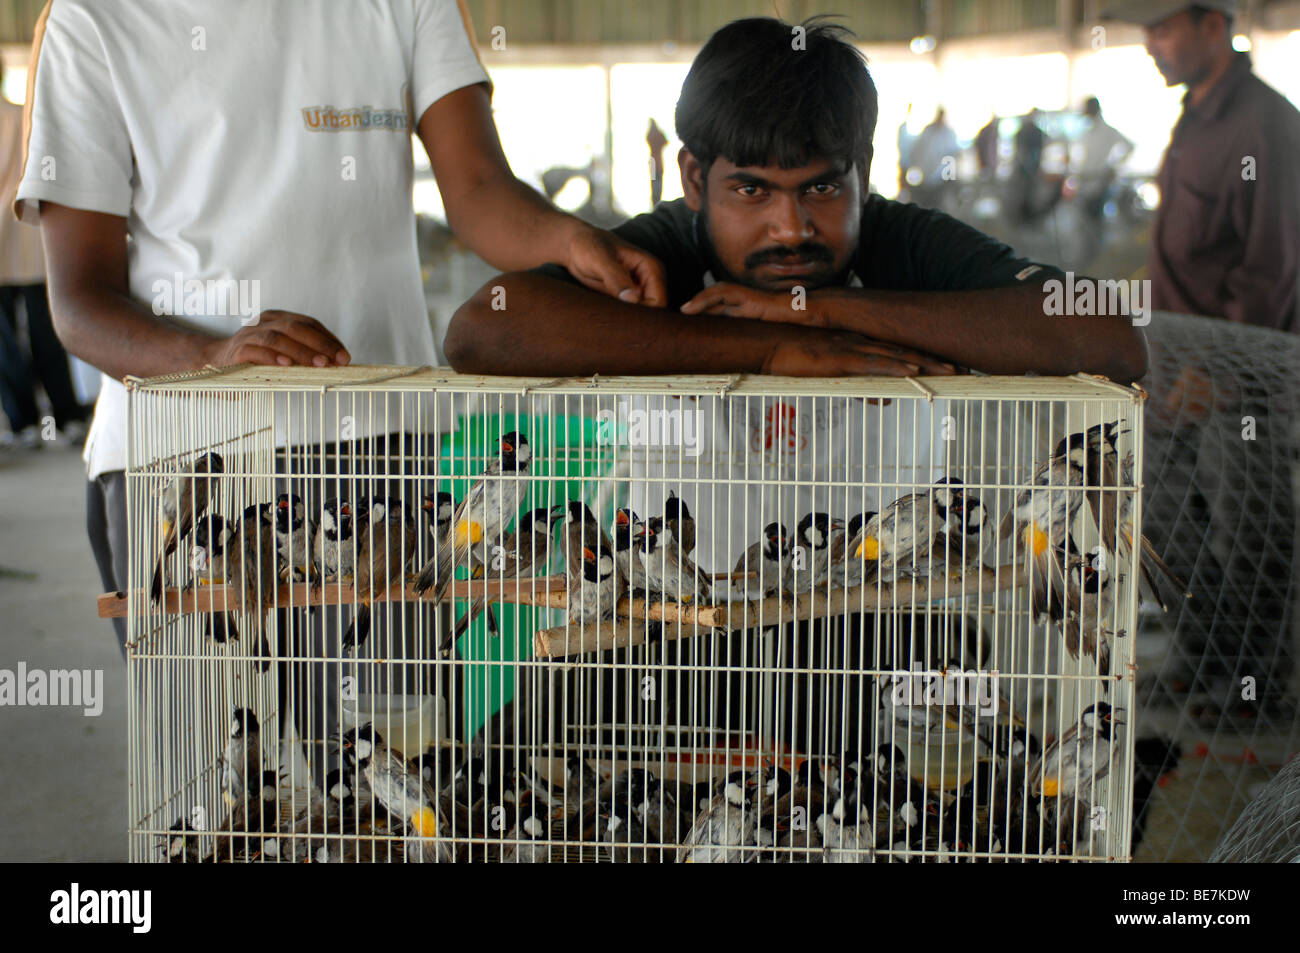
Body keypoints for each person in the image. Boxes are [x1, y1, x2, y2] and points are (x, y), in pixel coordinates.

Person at [16, 0, 665, 663]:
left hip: (375, 442)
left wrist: (576, 242)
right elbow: (80, 300)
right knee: (208, 752)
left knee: (379, 751)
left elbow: (477, 188)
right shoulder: (91, 18)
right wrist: (213, 354)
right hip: (183, 457)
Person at [1105, 0, 1299, 330]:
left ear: (1211, 27)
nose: (1150, 47)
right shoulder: (1195, 113)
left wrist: (1217, 375)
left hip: (1222, 367)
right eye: (1147, 32)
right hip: (1176, 346)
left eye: (1161, 31)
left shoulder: (1266, 127)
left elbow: (1271, 274)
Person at [0, 53, 85, 449]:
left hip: (11, 244)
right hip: (32, 242)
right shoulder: (23, 116)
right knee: (47, 330)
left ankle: (23, 422)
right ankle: (66, 416)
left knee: (5, 341)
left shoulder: (16, 117)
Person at [1074, 97, 1133, 220]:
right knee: (1084, 222)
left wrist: (1113, 166)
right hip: (1085, 181)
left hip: (1099, 182)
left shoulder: (1108, 131)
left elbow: (1129, 146)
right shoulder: (1088, 130)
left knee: (1096, 222)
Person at [906, 107, 960, 211]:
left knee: (939, 204)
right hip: (926, 176)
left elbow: (952, 154)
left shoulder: (948, 133)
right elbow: (918, 151)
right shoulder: (928, 131)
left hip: (941, 177)